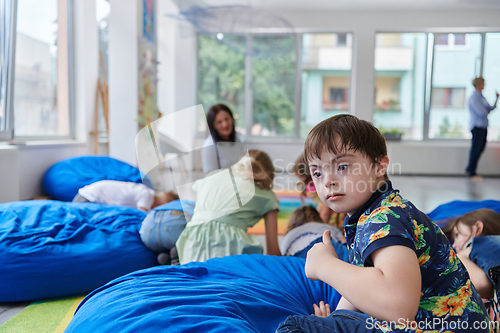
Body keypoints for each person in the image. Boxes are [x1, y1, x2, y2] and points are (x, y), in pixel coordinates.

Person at [276, 114, 491, 332]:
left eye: (341, 167)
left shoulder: (386, 218)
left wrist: (325, 266)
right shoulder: (372, 215)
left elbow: (398, 306)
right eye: (317, 173)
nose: (328, 181)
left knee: (293, 327)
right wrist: (334, 320)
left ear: (380, 165)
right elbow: (359, 289)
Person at [176, 149, 281, 264]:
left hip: (190, 242)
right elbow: (273, 251)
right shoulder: (267, 194)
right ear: (268, 173)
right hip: (230, 248)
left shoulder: (213, 175)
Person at [443, 209, 500, 300]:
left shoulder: (483, 243)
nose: (454, 245)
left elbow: (481, 284)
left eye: (457, 235)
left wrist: (460, 256)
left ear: (477, 228)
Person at [291, 154, 346, 227]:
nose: (306, 187)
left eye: (305, 182)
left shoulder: (327, 191)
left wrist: (317, 230)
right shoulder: (317, 194)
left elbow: (325, 216)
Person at [280, 205, 347, 261]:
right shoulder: (323, 227)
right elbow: (342, 240)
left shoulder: (290, 235)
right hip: (322, 242)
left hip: (293, 255)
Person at [466, 77, 499, 181]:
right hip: (477, 126)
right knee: (476, 148)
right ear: (478, 84)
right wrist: (487, 111)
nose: (484, 85)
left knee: (481, 148)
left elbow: (490, 109)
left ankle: (470, 169)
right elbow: (482, 112)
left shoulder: (482, 97)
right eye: (483, 83)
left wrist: (496, 99)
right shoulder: (474, 98)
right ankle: (472, 172)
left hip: (484, 126)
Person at [73, 180, 178, 212]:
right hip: (89, 200)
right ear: (163, 205)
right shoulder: (147, 196)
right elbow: (141, 214)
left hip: (85, 194)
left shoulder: (144, 190)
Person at [201, 104, 246, 174]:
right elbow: (209, 176)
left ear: (232, 119)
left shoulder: (238, 139)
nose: (225, 124)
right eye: (219, 122)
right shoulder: (209, 145)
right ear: (213, 126)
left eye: (227, 119)